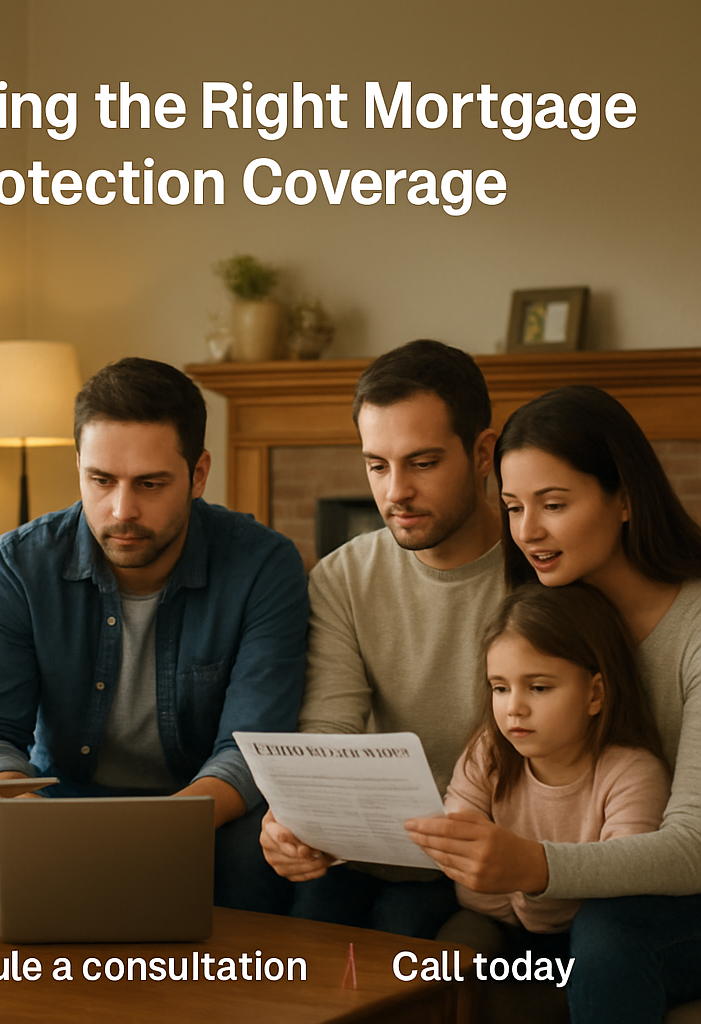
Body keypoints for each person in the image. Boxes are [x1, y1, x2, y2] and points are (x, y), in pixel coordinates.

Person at [0, 357, 308, 912]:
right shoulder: (21, 564)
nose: (122, 510)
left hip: (201, 804)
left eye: (150, 484)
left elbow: (251, 750)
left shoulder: (264, 564)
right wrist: (26, 811)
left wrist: (150, 831)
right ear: (78, 468)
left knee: (253, 854)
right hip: (57, 800)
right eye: (101, 480)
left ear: (198, 474)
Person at [406, 384, 701, 1023]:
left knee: (606, 934)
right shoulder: (543, 618)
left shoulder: (695, 629)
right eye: (513, 507)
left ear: (624, 498)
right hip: (567, 897)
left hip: (679, 891)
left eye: (555, 504)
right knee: (404, 921)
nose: (528, 531)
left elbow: (691, 846)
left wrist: (535, 865)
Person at [259, 339, 504, 937]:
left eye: (422, 463)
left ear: (482, 452)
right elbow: (328, 733)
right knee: (305, 925)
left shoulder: (543, 572)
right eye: (377, 465)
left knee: (402, 921)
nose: (395, 492)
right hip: (362, 848)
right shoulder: (343, 575)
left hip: (482, 856)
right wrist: (293, 820)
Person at [444, 582, 669, 939]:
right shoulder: (488, 749)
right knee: (452, 941)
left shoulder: (632, 773)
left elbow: (623, 881)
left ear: (595, 693)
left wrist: (526, 875)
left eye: (539, 688)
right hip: (491, 921)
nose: (514, 708)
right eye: (500, 688)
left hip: (581, 934)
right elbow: (458, 838)